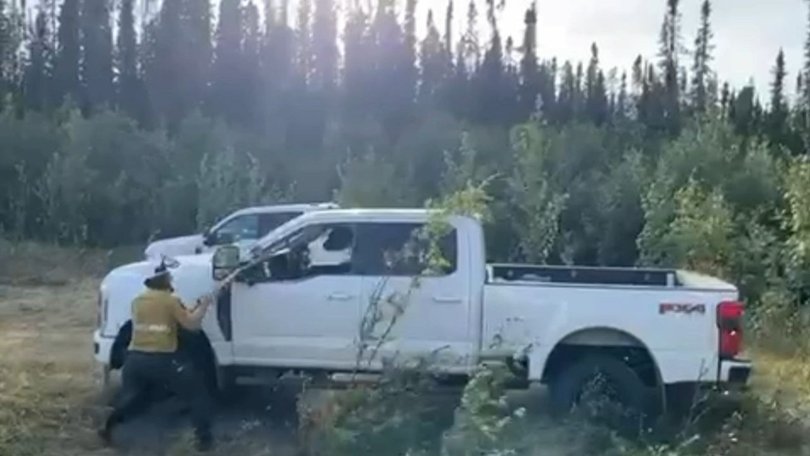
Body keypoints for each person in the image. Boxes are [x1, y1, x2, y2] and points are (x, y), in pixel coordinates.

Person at [99, 261, 216, 451]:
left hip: (135, 360)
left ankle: (108, 429)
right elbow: (192, 326)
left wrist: (188, 310)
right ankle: (204, 442)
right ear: (167, 283)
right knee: (198, 395)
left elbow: (161, 319)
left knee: (133, 400)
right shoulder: (171, 301)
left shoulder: (138, 301)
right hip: (162, 361)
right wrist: (203, 307)